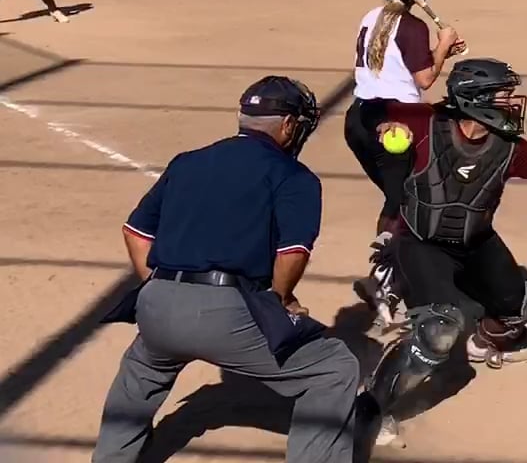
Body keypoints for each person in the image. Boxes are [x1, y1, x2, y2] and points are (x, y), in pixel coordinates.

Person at [91, 76, 363, 463]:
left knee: (141, 370)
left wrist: (162, 287)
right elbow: (292, 253)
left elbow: (135, 233)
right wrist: (282, 299)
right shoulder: (293, 176)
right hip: (227, 314)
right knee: (333, 367)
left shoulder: (187, 161)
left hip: (155, 304)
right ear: (288, 125)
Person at [364, 57, 527, 437]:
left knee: (521, 305)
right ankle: (371, 407)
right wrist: (382, 126)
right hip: (422, 244)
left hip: (476, 242)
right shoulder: (425, 124)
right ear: (475, 98)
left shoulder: (508, 147)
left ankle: (482, 342)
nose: (511, 102)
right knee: (439, 331)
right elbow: (367, 112)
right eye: (503, 95)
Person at [343, 0, 464, 329]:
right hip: (397, 126)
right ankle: (383, 281)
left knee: (400, 199)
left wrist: (439, 51)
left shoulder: (371, 17)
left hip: (361, 120)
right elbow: (424, 79)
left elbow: (395, 65)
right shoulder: (413, 26)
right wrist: (443, 45)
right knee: (407, 201)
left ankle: (394, 272)